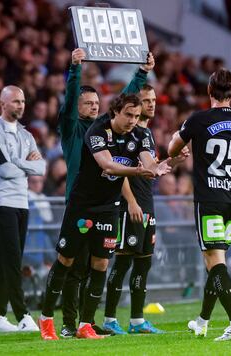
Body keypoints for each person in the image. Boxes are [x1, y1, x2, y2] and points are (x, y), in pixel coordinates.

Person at [39, 93, 173, 340]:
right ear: (115, 112)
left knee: (101, 264)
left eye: (136, 115)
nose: (133, 120)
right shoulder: (97, 130)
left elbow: (146, 160)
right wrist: (139, 171)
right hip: (82, 206)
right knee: (66, 260)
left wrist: (158, 167)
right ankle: (46, 319)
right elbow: (108, 166)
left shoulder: (139, 136)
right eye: (128, 115)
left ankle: (85, 325)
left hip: (109, 207)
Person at [58, 48, 155, 338]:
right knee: (75, 268)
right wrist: (75, 68)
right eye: (87, 103)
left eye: (96, 103)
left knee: (96, 266)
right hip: (79, 204)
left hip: (105, 204)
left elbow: (125, 102)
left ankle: (87, 323)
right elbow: (70, 96)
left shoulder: (104, 132)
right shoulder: (72, 128)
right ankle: (68, 323)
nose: (92, 107)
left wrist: (141, 73)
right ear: (77, 106)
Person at [168, 68, 231, 341]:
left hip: (209, 198)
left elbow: (173, 148)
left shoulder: (199, 120)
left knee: (214, 262)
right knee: (216, 262)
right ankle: (202, 321)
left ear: (209, 91)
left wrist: (177, 148)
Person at [102, 85, 188, 334]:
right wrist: (130, 201)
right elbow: (119, 171)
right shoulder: (126, 135)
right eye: (145, 100)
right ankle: (109, 319)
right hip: (131, 206)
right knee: (122, 262)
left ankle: (137, 320)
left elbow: (151, 170)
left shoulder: (146, 136)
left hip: (146, 204)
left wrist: (172, 161)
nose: (151, 104)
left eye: (152, 100)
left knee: (143, 263)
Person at [0, 85, 46, 332]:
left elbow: (41, 168)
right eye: (15, 101)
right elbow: (5, 172)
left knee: (9, 259)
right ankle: (23, 315)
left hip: (21, 201)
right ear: (3, 104)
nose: (20, 105)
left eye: (22, 101)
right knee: (12, 258)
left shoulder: (26, 135)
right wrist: (22, 165)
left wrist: (14, 163)